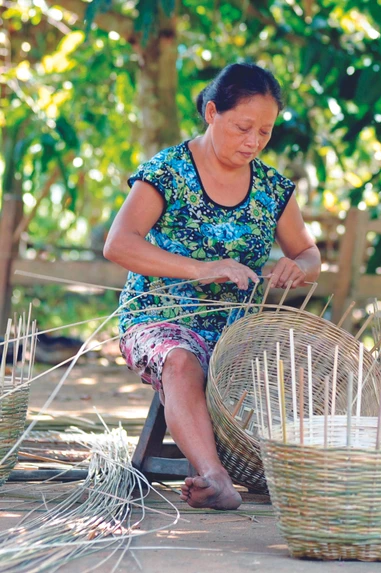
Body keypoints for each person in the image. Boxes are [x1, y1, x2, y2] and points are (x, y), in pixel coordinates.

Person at [104, 63, 321, 510]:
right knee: (181, 362)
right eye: (243, 127)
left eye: (265, 132)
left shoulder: (272, 188)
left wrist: (296, 266)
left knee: (307, 367)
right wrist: (202, 269)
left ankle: (292, 471)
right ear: (211, 112)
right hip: (160, 316)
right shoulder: (168, 171)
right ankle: (215, 477)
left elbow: (310, 255)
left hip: (236, 331)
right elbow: (118, 244)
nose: (253, 142)